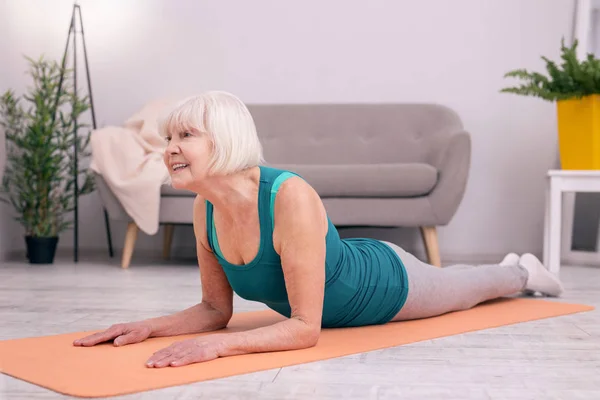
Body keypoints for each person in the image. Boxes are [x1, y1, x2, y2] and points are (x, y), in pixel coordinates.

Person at [73, 91, 564, 368]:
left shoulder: (289, 196)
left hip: (386, 285)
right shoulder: (205, 209)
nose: (170, 149)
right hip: (350, 283)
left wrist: (217, 348)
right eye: (168, 139)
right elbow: (213, 309)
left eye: (185, 137)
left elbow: (306, 329)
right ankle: (512, 271)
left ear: (225, 141)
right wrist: (146, 327)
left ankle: (522, 272)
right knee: (467, 284)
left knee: (471, 286)